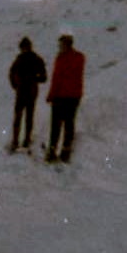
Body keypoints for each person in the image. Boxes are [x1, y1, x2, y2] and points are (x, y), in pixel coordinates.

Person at [45, 34, 86, 163]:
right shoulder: (79, 57)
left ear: (65, 45)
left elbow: (57, 79)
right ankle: (66, 151)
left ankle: (51, 152)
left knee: (56, 126)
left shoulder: (61, 59)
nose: (59, 47)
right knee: (69, 124)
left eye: (61, 45)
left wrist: (51, 95)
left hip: (60, 96)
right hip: (74, 96)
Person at [8, 36, 47, 153]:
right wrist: (34, 79)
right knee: (28, 117)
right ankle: (25, 140)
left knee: (19, 117)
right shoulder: (36, 59)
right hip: (31, 91)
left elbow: (11, 74)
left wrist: (16, 85)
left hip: (23, 92)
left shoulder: (19, 59)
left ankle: (17, 141)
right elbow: (44, 77)